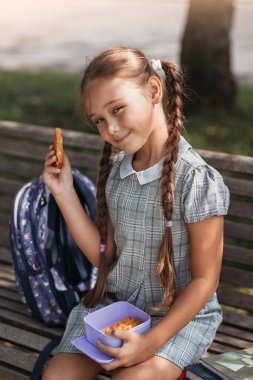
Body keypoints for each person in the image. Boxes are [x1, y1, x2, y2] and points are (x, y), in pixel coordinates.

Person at [42, 47, 230, 380]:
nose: (110, 129)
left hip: (178, 318)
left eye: (118, 109)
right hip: (114, 310)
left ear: (154, 90)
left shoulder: (196, 180)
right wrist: (64, 193)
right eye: (99, 120)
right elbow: (105, 256)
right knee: (58, 376)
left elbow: (205, 280)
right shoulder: (117, 174)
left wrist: (151, 342)